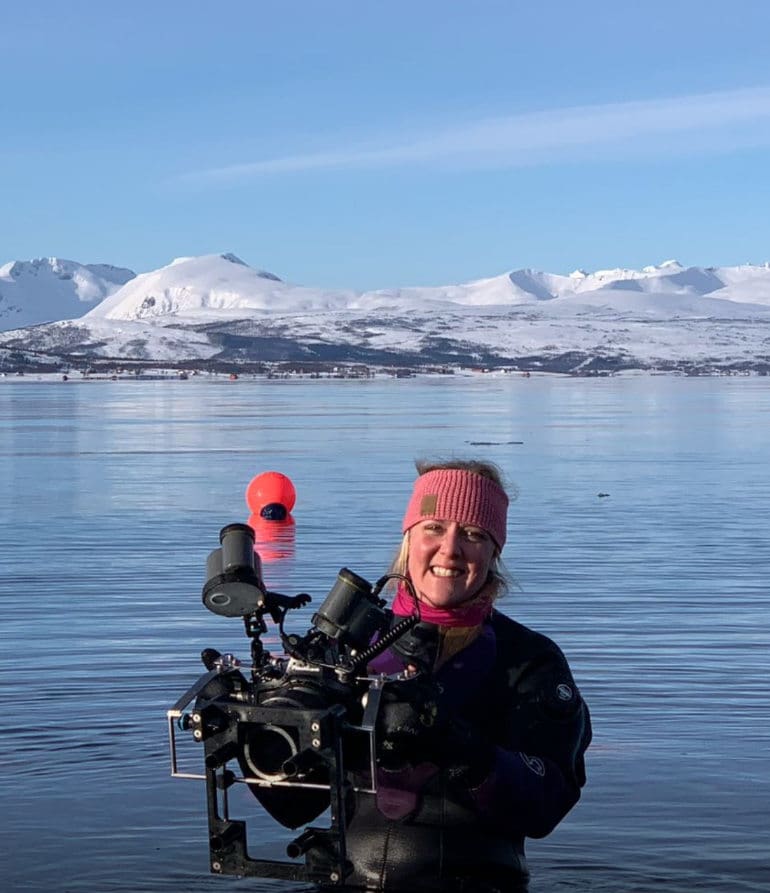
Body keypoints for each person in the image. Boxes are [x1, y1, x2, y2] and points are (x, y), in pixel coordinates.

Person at [338, 459, 592, 893]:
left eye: (473, 534)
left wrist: (463, 748)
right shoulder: (348, 647)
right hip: (342, 881)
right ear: (408, 540)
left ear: (494, 554)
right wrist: (255, 730)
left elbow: (547, 805)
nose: (450, 549)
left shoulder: (529, 660)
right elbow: (290, 808)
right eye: (433, 527)